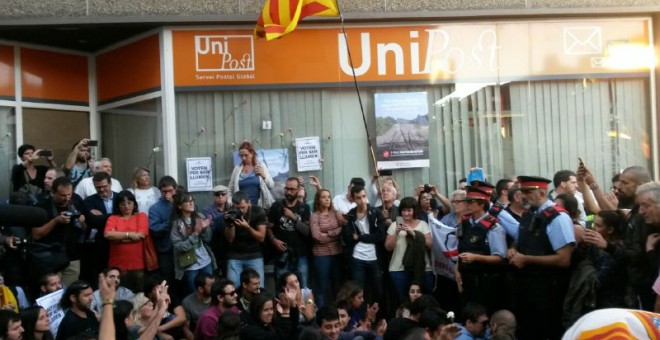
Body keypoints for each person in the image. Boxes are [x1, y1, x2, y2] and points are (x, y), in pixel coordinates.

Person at [505, 176, 575, 340]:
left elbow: (564, 259)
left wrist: (526, 259)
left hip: (548, 290)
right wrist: (513, 249)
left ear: (542, 193)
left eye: (528, 192)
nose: (522, 196)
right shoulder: (530, 214)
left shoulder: (557, 217)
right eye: (522, 192)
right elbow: (522, 238)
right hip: (526, 287)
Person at [32, 177, 87, 288]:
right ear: (53, 192)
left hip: (73, 258)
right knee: (51, 294)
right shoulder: (42, 207)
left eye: (69, 194)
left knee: (70, 293)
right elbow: (36, 235)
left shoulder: (76, 204)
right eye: (63, 195)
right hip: (51, 258)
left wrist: (82, 222)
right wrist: (55, 221)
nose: (67, 198)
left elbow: (84, 229)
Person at [341, 185, 386, 305]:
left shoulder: (375, 212)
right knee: (357, 291)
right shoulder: (350, 215)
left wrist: (360, 237)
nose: (362, 200)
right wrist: (345, 225)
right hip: (357, 257)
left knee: (378, 290)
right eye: (358, 198)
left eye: (364, 196)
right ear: (354, 199)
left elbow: (380, 236)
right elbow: (348, 238)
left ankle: (378, 316)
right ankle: (360, 317)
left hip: (374, 257)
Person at [269, 177, 312, 290]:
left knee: (303, 289)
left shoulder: (304, 208)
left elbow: (307, 231)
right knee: (281, 288)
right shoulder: (276, 206)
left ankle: (303, 308)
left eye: (292, 189)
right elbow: (268, 227)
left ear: (298, 190)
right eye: (287, 189)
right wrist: (273, 239)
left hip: (300, 254)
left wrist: (293, 217)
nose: (289, 192)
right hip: (282, 254)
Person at [385, 196, 434, 297]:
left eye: (409, 210)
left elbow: (429, 244)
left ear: (414, 211)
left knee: (424, 299)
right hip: (399, 268)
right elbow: (388, 247)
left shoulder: (422, 224)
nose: (406, 213)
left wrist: (414, 234)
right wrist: (397, 233)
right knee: (403, 299)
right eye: (403, 210)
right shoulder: (395, 225)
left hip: (422, 268)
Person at [170, 191, 216, 296]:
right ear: (179, 206)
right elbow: (179, 247)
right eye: (187, 201)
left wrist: (204, 230)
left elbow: (208, 239)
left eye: (192, 201)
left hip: (205, 261)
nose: (191, 203)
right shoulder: (177, 224)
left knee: (211, 290)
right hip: (190, 265)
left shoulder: (199, 216)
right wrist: (195, 233)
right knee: (195, 293)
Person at [104, 190, 149, 292]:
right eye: (122, 204)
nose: (126, 206)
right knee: (117, 294)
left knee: (139, 296)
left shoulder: (141, 216)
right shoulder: (113, 218)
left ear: (134, 203)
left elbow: (141, 236)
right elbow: (108, 234)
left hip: (138, 264)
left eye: (129, 203)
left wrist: (118, 239)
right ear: (118, 206)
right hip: (117, 265)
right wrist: (130, 235)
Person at [223, 190, 267, 288]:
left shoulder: (258, 211)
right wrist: (230, 223)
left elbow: (261, 237)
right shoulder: (231, 213)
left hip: (254, 253)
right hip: (235, 254)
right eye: (238, 208)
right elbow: (230, 239)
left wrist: (247, 227)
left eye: (243, 207)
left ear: (249, 203)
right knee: (233, 287)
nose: (241, 211)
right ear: (233, 206)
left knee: (258, 287)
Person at [310, 188, 344, 308]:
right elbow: (317, 236)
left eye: (328, 197)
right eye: (323, 197)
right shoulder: (315, 216)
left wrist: (329, 234)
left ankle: (339, 312)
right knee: (321, 287)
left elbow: (344, 228)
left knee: (337, 285)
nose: (327, 199)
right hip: (321, 255)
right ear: (318, 200)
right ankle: (321, 314)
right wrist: (336, 235)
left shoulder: (336, 213)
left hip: (337, 253)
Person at [227, 141, 275, 208]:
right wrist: (230, 201)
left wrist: (263, 176)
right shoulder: (237, 169)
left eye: (246, 155)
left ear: (252, 153)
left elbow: (271, 186)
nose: (243, 158)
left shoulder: (261, 166)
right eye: (241, 156)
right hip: (242, 208)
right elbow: (230, 188)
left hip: (258, 207)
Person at [148, 175, 178, 282]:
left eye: (170, 191)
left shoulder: (181, 203)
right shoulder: (155, 208)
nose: (167, 194)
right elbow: (155, 229)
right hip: (166, 251)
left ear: (175, 189)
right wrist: (170, 222)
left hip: (182, 248)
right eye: (164, 191)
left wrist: (176, 206)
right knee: (168, 280)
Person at [181, 272, 214, 336]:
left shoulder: (218, 297)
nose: (215, 287)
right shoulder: (187, 302)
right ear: (201, 289)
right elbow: (185, 328)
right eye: (211, 286)